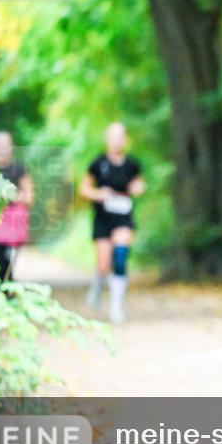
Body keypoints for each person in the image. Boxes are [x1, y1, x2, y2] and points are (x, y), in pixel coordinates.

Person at [79, 122, 144, 323]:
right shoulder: (98, 163)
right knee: (103, 265)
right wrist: (98, 194)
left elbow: (139, 184)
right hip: (103, 219)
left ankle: (116, 306)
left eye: (120, 137)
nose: (117, 140)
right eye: (113, 136)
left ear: (125, 139)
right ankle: (97, 289)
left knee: (121, 257)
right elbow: (84, 189)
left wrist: (137, 188)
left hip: (123, 216)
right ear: (107, 139)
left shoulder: (132, 164)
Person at [0, 131, 34, 284]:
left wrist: (10, 196)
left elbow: (29, 197)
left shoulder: (19, 168)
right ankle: (6, 290)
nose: (2, 149)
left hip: (12, 225)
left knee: (6, 262)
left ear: (11, 147)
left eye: (5, 145)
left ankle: (5, 289)